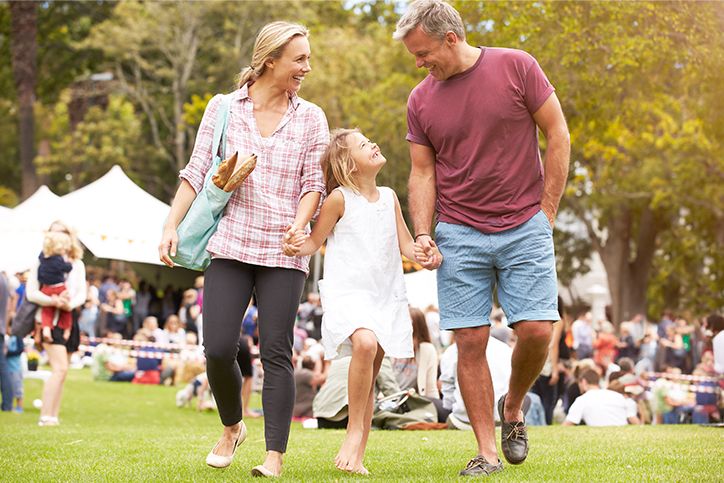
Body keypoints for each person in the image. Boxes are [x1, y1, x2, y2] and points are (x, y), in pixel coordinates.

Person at [394, 0, 570, 476]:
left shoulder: (517, 66)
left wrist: (547, 211)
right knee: (469, 341)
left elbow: (557, 132)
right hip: (458, 232)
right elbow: (422, 172)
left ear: (452, 38)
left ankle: (512, 406)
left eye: (423, 51)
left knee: (536, 331)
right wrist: (424, 233)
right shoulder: (420, 99)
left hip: (524, 226)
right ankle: (486, 452)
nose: (419, 62)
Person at [158, 21, 329, 477]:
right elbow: (196, 171)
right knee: (216, 348)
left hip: (284, 250)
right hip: (230, 242)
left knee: (276, 350)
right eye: (299, 59)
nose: (306, 68)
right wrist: (170, 225)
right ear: (270, 60)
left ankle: (274, 455)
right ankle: (233, 426)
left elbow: (314, 184)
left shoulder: (311, 117)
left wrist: (299, 226)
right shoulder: (223, 108)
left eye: (307, 59)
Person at [283, 128, 442, 474]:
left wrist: (426, 252)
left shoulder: (389, 197)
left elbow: (407, 247)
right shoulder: (339, 199)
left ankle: (357, 455)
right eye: (363, 144)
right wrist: (296, 244)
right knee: (365, 345)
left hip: (385, 293)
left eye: (371, 139)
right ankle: (353, 433)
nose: (373, 143)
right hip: (349, 290)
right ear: (347, 163)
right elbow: (313, 243)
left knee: (369, 373)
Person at [25, 220, 86, 426]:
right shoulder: (41, 262)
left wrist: (70, 304)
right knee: (59, 368)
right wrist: (53, 301)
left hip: (69, 318)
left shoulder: (77, 264)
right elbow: (31, 293)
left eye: (63, 232)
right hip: (48, 319)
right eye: (54, 232)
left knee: (63, 371)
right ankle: (45, 415)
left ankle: (53, 415)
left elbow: (81, 294)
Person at [392, 307, 440, 399]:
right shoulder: (391, 347)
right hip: (389, 399)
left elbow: (431, 388)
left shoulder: (427, 350)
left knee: (442, 408)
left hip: (413, 401)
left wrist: (434, 410)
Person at [562, 370, 639, 427]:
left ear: (584, 382)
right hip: (623, 435)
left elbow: (568, 423)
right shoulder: (617, 396)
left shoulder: (582, 399)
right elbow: (633, 419)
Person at [37, 231, 74, 343]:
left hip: (46, 288)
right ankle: (67, 330)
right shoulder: (58, 259)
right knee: (66, 310)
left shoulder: (43, 257)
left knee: (47, 311)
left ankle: (46, 329)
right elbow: (67, 268)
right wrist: (69, 263)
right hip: (59, 287)